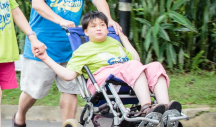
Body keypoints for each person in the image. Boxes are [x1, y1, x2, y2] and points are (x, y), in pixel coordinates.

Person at [13, 0, 122, 127]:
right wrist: (62, 20)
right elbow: (37, 3)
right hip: (43, 44)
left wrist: (107, 22)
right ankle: (20, 116)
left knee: (70, 87)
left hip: (72, 45)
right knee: (34, 91)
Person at [35, 11, 181, 116]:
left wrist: (122, 37)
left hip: (127, 76)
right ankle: (146, 108)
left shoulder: (114, 43)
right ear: (85, 32)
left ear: (107, 28)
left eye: (102, 25)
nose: (99, 28)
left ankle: (167, 110)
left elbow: (136, 61)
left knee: (155, 65)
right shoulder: (83, 50)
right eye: (93, 26)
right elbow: (68, 75)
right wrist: (45, 58)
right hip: (103, 82)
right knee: (133, 66)